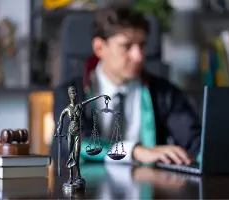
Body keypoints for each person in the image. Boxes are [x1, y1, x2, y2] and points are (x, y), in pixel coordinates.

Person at [51, 5, 201, 168]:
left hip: (148, 186)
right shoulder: (70, 94)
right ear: (100, 48)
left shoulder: (164, 93)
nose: (139, 56)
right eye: (126, 46)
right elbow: (77, 142)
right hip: (87, 188)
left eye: (142, 45)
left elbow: (195, 142)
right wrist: (135, 151)